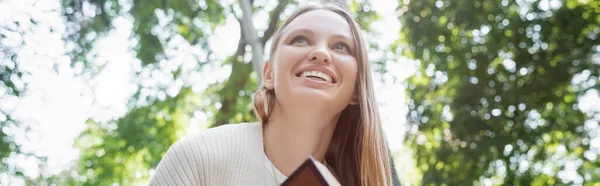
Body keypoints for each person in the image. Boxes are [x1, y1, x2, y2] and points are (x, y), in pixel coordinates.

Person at [149, 3, 394, 186]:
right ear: (269, 75)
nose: (320, 53)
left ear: (356, 91)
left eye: (341, 46)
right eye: (300, 40)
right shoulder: (200, 158)